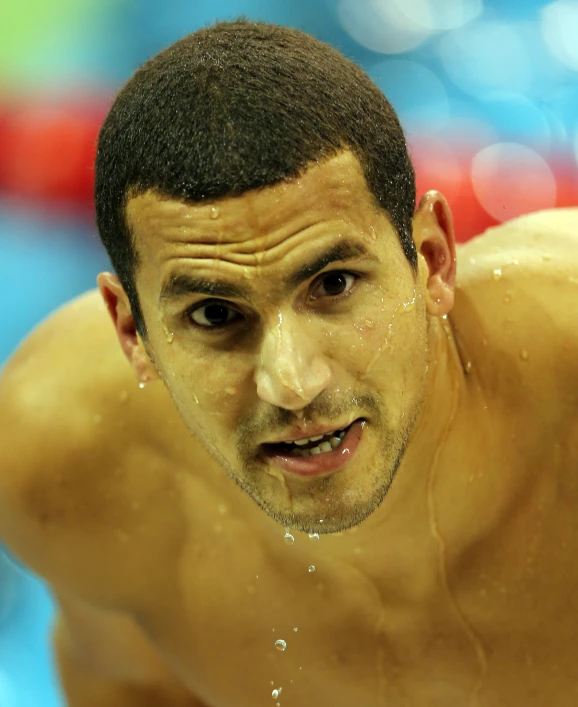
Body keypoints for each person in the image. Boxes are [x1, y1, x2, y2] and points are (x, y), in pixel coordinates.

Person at [0, 19, 577, 707]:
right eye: (216, 315)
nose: (293, 382)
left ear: (432, 258)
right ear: (132, 330)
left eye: (333, 284)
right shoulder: (70, 467)